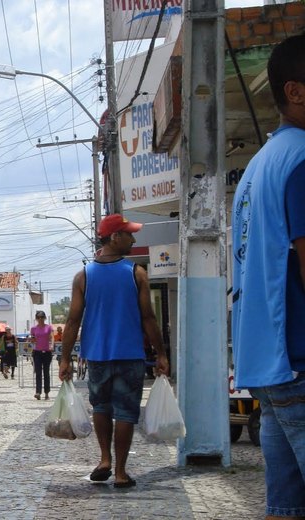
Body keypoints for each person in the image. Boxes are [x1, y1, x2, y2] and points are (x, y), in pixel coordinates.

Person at [231, 34, 305, 520]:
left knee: (284, 507)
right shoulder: (301, 158)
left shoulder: (257, 166)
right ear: (296, 91)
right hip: (298, 359)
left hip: (267, 365)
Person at [59, 214, 168, 489]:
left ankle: (105, 459)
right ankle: (120, 472)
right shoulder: (136, 273)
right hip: (130, 355)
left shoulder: (83, 276)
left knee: (102, 407)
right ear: (114, 237)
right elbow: (148, 318)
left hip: (96, 355)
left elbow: (73, 321)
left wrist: (64, 359)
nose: (133, 239)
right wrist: (161, 353)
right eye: (129, 234)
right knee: (126, 413)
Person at [30, 311, 54, 400]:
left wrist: (51, 345)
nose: (40, 319)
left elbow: (52, 337)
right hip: (37, 352)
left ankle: (47, 392)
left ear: (44, 318)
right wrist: (31, 340)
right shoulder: (33, 328)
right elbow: (32, 339)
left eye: (42, 317)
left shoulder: (48, 327)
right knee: (38, 372)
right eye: (38, 317)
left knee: (46, 372)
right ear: (36, 319)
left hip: (47, 352)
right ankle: (38, 392)